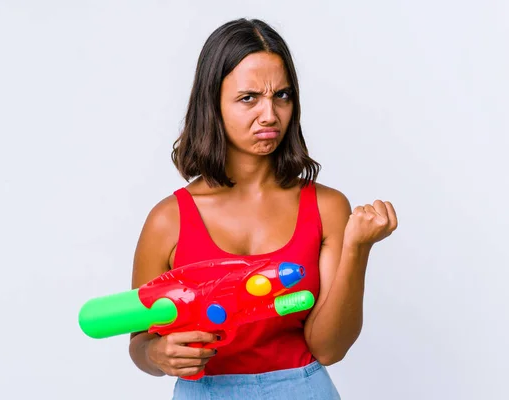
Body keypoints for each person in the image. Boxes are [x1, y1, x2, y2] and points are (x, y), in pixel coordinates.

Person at [128, 18, 398, 400]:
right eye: (248, 98)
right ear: (213, 103)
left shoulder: (327, 207)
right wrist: (156, 354)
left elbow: (329, 348)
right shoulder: (167, 220)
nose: (270, 115)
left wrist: (358, 248)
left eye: (282, 96)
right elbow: (140, 342)